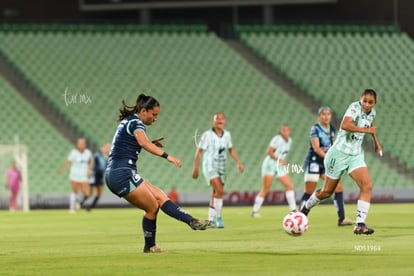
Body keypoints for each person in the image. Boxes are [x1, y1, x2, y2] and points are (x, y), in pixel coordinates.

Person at [105, 94, 208, 253]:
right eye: (154, 114)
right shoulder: (136, 123)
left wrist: (150, 143)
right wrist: (167, 156)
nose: (155, 118)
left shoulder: (130, 121)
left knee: (160, 196)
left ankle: (191, 222)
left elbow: (129, 143)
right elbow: (142, 142)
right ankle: (150, 246)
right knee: (152, 206)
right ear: (144, 111)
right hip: (121, 174)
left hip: (119, 172)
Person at [300, 89, 382, 235]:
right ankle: (305, 207)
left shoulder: (372, 112)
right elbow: (345, 125)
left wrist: (376, 142)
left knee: (367, 185)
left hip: (355, 155)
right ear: (360, 99)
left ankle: (360, 225)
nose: (367, 105)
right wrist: (366, 131)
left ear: (375, 103)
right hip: (338, 154)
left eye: (370, 102)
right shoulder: (354, 108)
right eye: (364, 101)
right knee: (327, 192)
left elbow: (371, 126)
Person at [299, 106, 353, 227]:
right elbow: (316, 148)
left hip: (325, 163)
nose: (326, 116)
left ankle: (342, 218)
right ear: (319, 116)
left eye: (328, 114)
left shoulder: (332, 129)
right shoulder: (315, 129)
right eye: (323, 114)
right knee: (309, 191)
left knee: (338, 187)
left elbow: (332, 146)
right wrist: (329, 159)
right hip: (314, 162)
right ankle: (300, 218)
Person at [192, 112, 244, 228]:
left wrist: (238, 163)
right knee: (220, 191)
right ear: (213, 121)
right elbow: (199, 151)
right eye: (217, 119)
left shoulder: (227, 135)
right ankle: (219, 218)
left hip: (222, 167)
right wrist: (196, 168)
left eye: (222, 119)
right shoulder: (207, 135)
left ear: (224, 121)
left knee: (216, 193)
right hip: (209, 166)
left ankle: (211, 220)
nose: (220, 121)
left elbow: (231, 149)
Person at [251, 125, 297, 218]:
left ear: (290, 131)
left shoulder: (290, 141)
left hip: (279, 165)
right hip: (270, 164)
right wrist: (279, 160)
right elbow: (269, 151)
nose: (285, 131)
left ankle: (293, 210)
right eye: (283, 130)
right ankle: (255, 211)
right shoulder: (277, 138)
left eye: (287, 130)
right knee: (266, 188)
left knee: (289, 185)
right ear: (281, 131)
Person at [57, 138, 92, 213]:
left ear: (85, 144)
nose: (81, 145)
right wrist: (61, 171)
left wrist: (89, 170)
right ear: (77, 144)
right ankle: (71, 208)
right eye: (79, 143)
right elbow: (67, 162)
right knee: (74, 191)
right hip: (74, 174)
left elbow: (90, 161)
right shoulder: (74, 153)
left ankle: (78, 202)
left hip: (83, 174)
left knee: (85, 192)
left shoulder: (88, 152)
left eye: (82, 143)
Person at [86, 143, 110, 211]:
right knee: (90, 193)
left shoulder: (108, 157)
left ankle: (91, 207)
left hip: (100, 176)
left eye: (108, 148)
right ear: (102, 148)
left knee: (99, 193)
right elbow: (91, 161)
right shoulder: (97, 155)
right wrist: (89, 170)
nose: (107, 149)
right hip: (93, 175)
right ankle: (80, 202)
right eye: (106, 147)